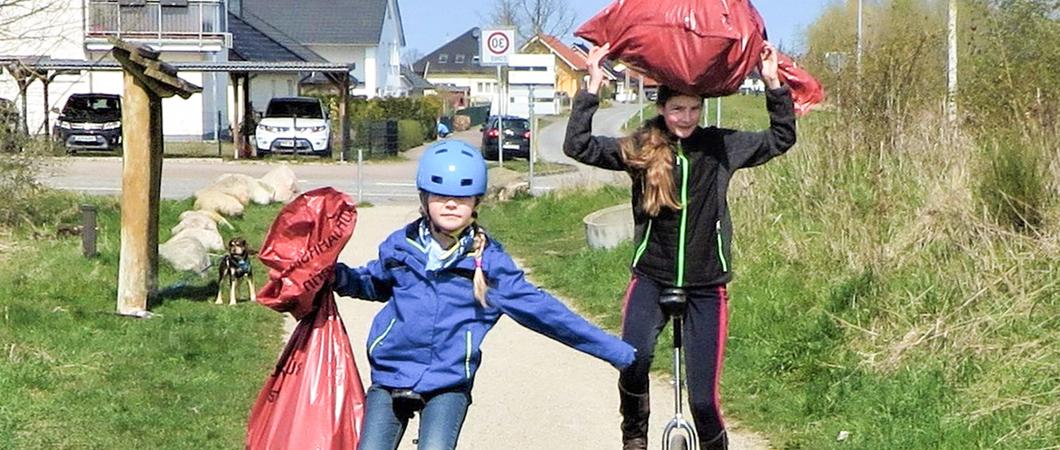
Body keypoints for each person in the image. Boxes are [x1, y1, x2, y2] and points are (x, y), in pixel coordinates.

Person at [562, 42, 797, 450]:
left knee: (703, 401)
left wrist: (773, 83)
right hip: (652, 278)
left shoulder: (722, 146)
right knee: (632, 363)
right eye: (676, 109)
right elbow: (578, 146)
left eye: (693, 109)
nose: (685, 118)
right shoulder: (641, 148)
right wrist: (591, 90)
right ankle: (634, 436)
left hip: (708, 284)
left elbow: (781, 138)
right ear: (661, 110)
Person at [333, 140, 636, 450]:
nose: (451, 204)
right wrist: (339, 277)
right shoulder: (401, 246)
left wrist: (615, 351)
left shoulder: (490, 264)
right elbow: (373, 283)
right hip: (391, 374)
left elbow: (545, 312)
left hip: (448, 382)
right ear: (424, 198)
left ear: (476, 202)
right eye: (441, 196)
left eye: (461, 198)